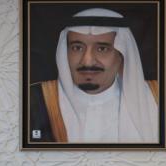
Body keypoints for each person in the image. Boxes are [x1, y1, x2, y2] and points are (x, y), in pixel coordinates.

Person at [29, 7, 159, 143]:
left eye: (102, 49)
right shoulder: (34, 100)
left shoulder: (156, 98)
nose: (87, 61)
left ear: (121, 55)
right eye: (77, 48)